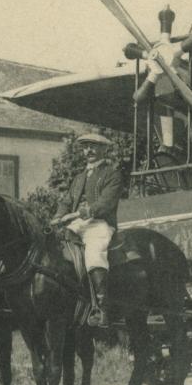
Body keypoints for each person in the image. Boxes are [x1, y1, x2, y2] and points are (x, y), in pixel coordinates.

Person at [51, 133, 124, 328]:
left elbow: (105, 203)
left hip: (99, 223)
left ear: (103, 150)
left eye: (93, 146)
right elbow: (67, 200)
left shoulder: (112, 174)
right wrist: (58, 216)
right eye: (86, 147)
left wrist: (77, 215)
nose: (89, 151)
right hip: (75, 225)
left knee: (93, 255)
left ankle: (101, 308)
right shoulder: (79, 177)